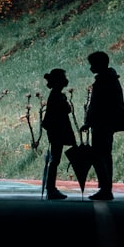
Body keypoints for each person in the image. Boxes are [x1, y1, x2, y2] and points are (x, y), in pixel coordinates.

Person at [79, 50, 124, 200]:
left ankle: (105, 188)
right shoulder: (112, 79)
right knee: (105, 155)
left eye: (92, 64)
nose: (91, 68)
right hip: (108, 124)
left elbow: (97, 106)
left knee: (99, 156)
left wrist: (88, 123)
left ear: (99, 64)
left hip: (102, 125)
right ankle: (106, 187)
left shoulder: (103, 82)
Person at [41, 68, 77, 200]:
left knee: (54, 159)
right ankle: (51, 188)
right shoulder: (57, 96)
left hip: (55, 131)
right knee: (55, 160)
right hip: (57, 131)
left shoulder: (55, 95)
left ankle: (51, 188)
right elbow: (66, 110)